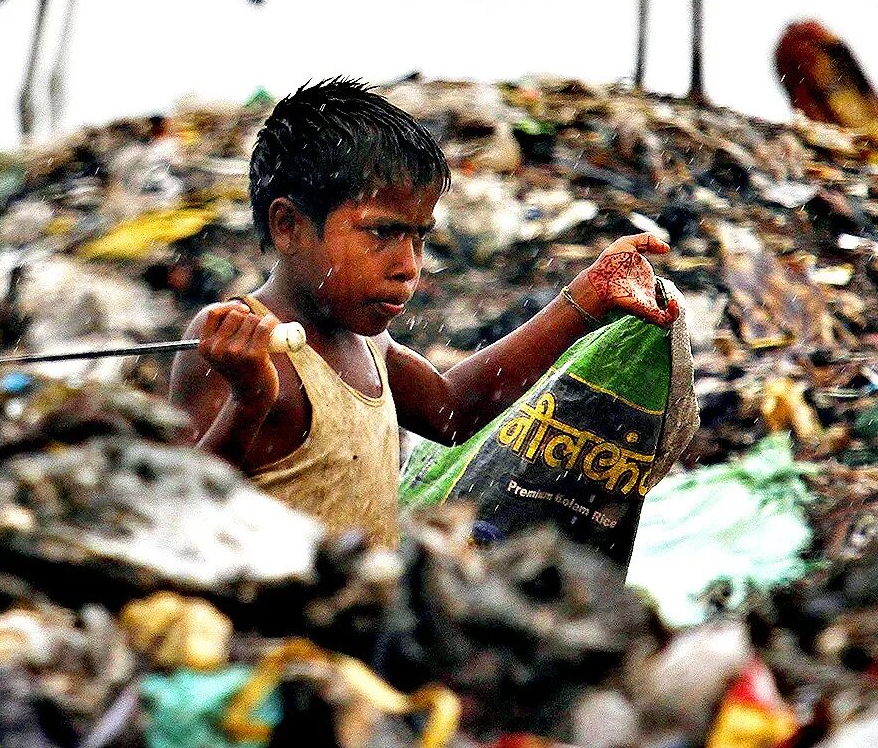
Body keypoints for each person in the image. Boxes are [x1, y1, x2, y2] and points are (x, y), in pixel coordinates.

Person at [169, 77, 675, 546]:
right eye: (383, 232)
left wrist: (584, 297)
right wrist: (249, 401)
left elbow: (452, 410)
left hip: (359, 627)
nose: (408, 267)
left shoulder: (368, 345)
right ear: (289, 226)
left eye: (419, 237)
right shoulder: (230, 344)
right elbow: (178, 514)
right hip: (268, 635)